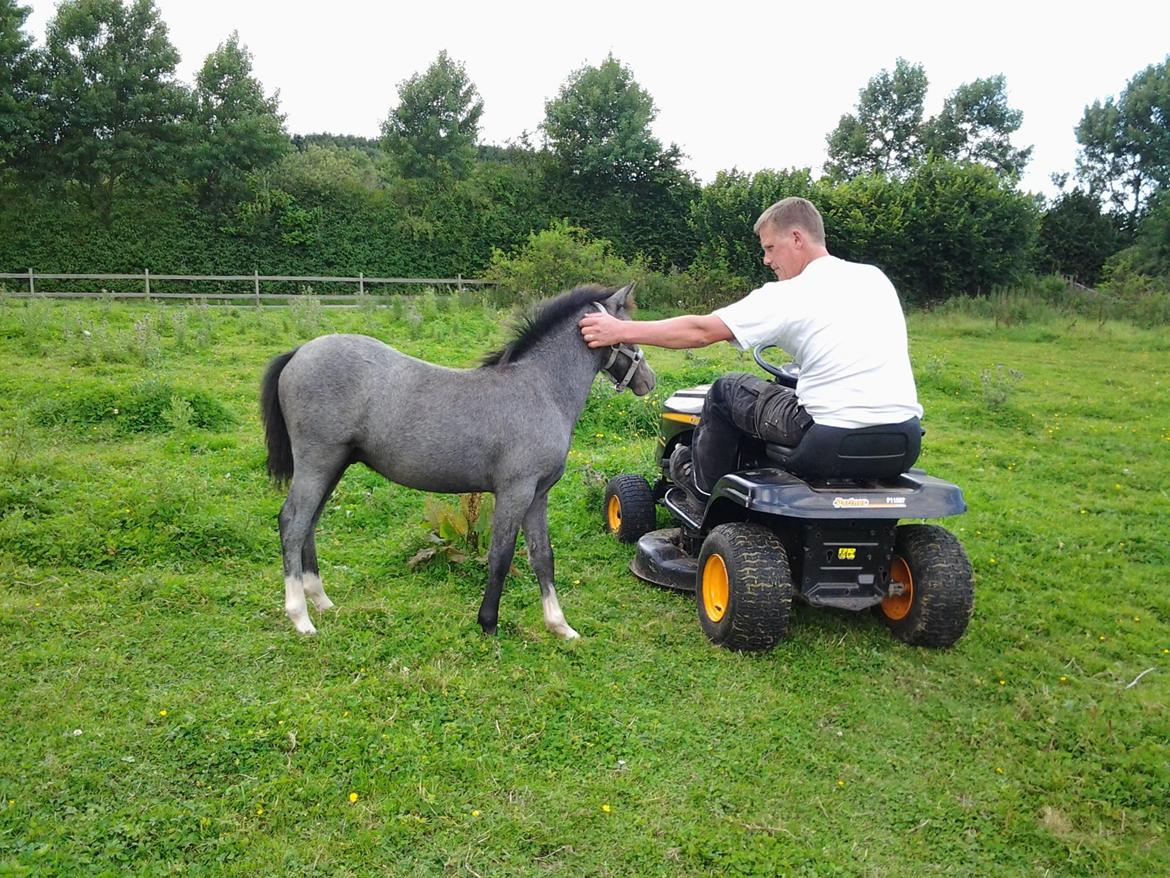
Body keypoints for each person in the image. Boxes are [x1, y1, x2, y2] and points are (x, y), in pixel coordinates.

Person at [578, 196, 922, 509]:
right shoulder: (874, 278)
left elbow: (701, 332)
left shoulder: (790, 294)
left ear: (797, 238)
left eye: (771, 247)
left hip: (828, 439)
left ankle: (702, 492)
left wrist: (620, 329)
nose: (766, 259)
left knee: (727, 390)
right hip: (902, 439)